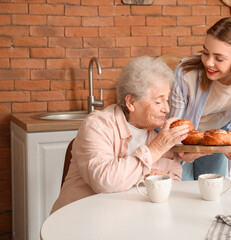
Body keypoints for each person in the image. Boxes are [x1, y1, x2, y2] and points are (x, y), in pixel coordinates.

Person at [51, 56, 200, 213]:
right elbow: (104, 180)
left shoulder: (160, 135)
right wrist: (154, 152)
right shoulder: (98, 125)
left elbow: (173, 181)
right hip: (81, 218)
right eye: (158, 101)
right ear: (131, 103)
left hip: (130, 219)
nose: (166, 109)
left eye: (167, 100)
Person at [168, 17, 231, 181]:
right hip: (182, 136)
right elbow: (175, 123)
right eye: (205, 53)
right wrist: (180, 150)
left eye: (219, 58)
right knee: (182, 189)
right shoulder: (186, 73)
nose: (208, 63)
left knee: (213, 189)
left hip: (216, 132)